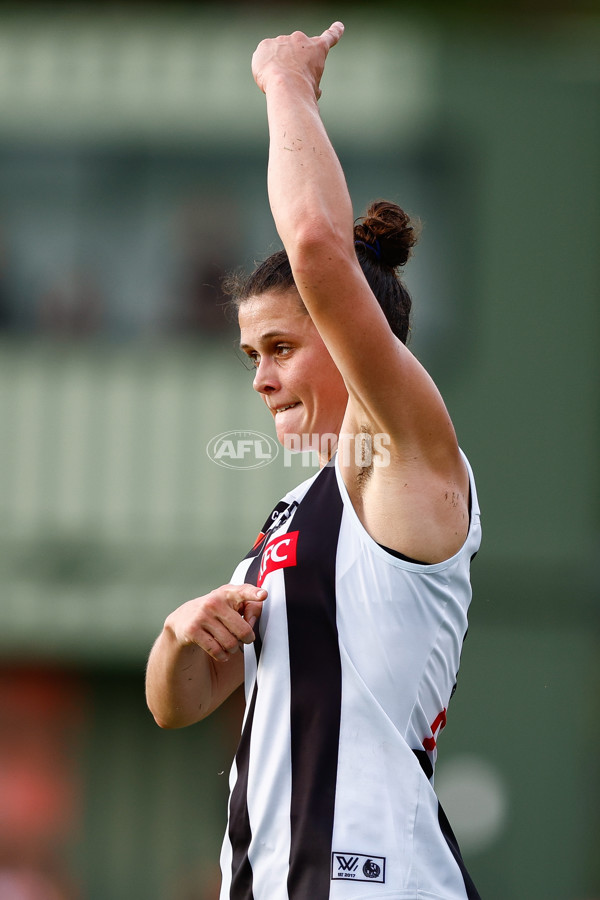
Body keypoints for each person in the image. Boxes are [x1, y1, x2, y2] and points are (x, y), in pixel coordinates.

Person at [146, 22, 482, 900]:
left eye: (282, 347)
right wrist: (182, 633)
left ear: (349, 335)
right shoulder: (298, 509)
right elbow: (178, 704)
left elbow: (317, 246)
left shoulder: (403, 456)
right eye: (250, 356)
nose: (261, 379)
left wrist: (284, 80)